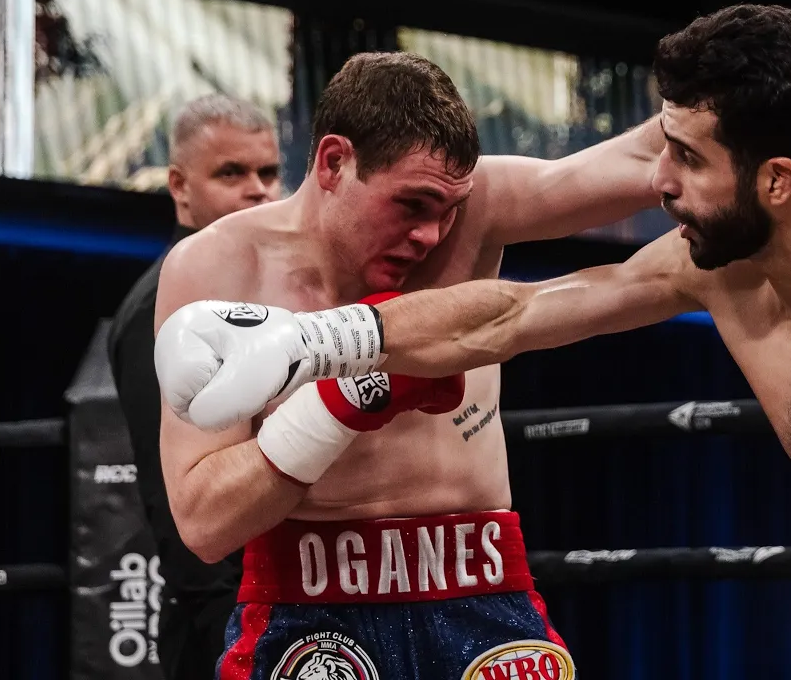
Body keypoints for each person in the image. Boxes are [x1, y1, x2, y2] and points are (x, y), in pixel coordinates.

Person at [154, 0, 791, 680]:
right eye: (663, 148)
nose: (655, 180)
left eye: (685, 159)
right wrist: (327, 344)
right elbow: (518, 312)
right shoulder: (709, 265)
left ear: (775, 180)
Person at [149, 51, 665, 679]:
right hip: (308, 611)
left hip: (483, 592)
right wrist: (337, 405)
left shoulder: (474, 206)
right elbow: (204, 523)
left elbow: (646, 159)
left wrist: (750, 86)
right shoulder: (217, 267)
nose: (432, 235)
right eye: (412, 205)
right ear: (333, 162)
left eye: (449, 210)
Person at [107, 93, 283, 680]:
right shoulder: (162, 308)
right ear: (180, 187)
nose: (258, 190)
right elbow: (182, 511)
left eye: (268, 172)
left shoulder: (267, 290)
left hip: (291, 608)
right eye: (231, 173)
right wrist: (237, 644)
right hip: (226, 622)